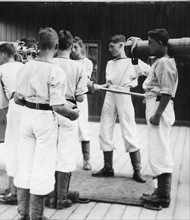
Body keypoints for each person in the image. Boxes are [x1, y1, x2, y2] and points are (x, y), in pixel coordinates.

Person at [13, 27, 80, 220]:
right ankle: (36, 215)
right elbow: (58, 106)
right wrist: (73, 114)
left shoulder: (25, 67)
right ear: (56, 46)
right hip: (44, 119)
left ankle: (22, 213)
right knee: (42, 167)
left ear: (38, 45)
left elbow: (17, 99)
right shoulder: (55, 71)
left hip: (26, 116)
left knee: (25, 164)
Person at [92, 34, 150, 183]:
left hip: (124, 94)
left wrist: (148, 90)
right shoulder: (110, 63)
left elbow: (151, 73)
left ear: (122, 45)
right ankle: (108, 168)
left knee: (129, 130)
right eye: (109, 46)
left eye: (112, 46)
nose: (109, 49)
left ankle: (137, 171)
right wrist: (101, 86)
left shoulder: (134, 62)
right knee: (105, 130)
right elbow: (109, 82)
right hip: (110, 94)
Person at [44, 30, 88, 210]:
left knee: (49, 153)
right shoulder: (79, 67)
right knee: (66, 154)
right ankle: (61, 197)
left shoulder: (47, 64)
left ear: (56, 46)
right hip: (68, 109)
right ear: (71, 46)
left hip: (47, 111)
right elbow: (80, 98)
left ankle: (49, 196)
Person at [139, 29, 178, 211]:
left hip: (159, 110)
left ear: (160, 43)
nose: (148, 46)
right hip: (154, 106)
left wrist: (157, 115)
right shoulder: (159, 62)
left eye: (150, 42)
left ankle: (163, 195)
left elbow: (167, 92)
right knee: (156, 150)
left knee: (161, 150)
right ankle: (159, 192)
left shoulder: (165, 63)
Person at [0, 43, 24, 205]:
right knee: (26, 149)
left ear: (4, 55)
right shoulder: (24, 66)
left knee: (12, 149)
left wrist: (10, 115)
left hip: (15, 108)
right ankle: (23, 190)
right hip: (32, 109)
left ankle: (13, 192)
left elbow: (2, 102)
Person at [71, 36, 94, 170]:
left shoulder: (87, 63)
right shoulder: (66, 61)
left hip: (80, 98)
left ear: (81, 48)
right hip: (67, 97)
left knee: (83, 127)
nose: (74, 50)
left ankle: (87, 159)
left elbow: (84, 80)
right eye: (72, 47)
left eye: (76, 47)